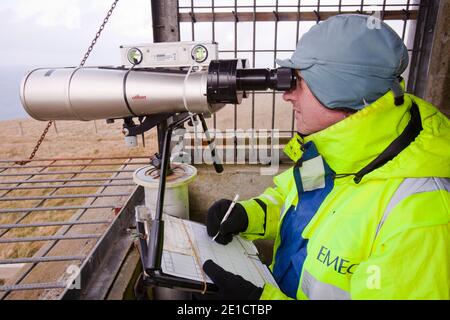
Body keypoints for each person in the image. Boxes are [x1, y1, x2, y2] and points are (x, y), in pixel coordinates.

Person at [201, 14, 450, 300]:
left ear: (339, 89)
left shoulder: (422, 214)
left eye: (298, 82)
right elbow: (297, 207)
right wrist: (247, 215)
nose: (287, 96)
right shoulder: (332, 152)